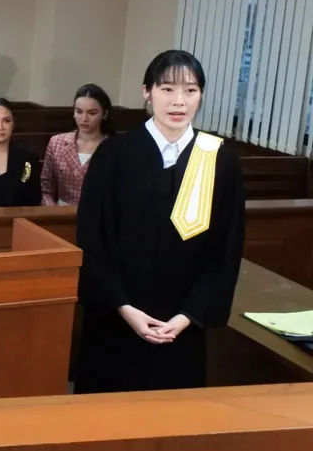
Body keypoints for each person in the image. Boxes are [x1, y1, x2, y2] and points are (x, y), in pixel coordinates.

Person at [75, 50, 245, 394]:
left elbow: (225, 250)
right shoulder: (114, 155)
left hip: (181, 325)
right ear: (147, 92)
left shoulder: (218, 159)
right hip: (116, 320)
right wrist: (123, 307)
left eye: (190, 91)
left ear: (201, 95)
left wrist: (188, 316)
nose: (178, 101)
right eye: (167, 89)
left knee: (171, 416)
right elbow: (92, 239)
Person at [41, 83, 113, 206]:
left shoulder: (114, 147)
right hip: (61, 211)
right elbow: (46, 187)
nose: (84, 119)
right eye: (79, 111)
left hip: (99, 212)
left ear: (104, 114)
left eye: (92, 113)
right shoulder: (57, 142)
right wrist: (52, 210)